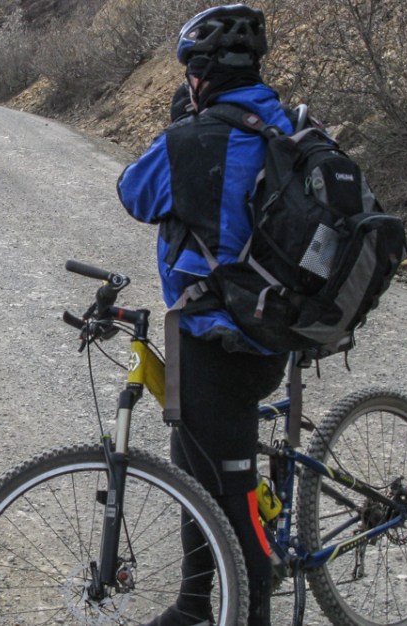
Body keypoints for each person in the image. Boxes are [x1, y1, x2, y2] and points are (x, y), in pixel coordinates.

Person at [116, 5, 291, 626]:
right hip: (277, 328)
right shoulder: (286, 121)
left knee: (230, 491)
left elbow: (133, 192)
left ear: (201, 72)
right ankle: (193, 604)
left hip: (221, 339)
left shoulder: (191, 139)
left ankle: (251, 612)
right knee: (192, 464)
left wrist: (181, 131)